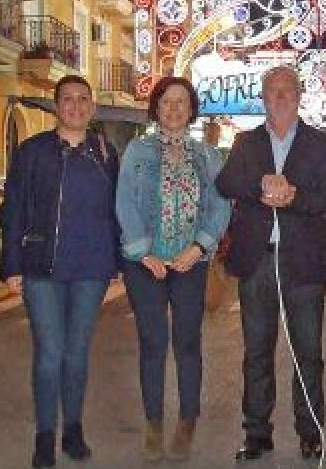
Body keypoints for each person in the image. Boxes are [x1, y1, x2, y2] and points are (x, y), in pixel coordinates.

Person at [216, 66, 326, 462]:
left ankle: (311, 431)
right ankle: (257, 433)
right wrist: (258, 188)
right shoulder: (245, 142)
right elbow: (225, 185)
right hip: (257, 263)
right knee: (256, 352)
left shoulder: (321, 143)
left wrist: (294, 196)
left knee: (308, 351)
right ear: (263, 97)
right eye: (273, 90)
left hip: (303, 264)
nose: (280, 96)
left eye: (287, 89)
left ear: (300, 95)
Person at [0, 75, 120, 468]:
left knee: (77, 353)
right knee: (49, 353)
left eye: (84, 99)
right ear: (56, 106)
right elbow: (12, 209)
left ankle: (74, 430)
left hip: (91, 267)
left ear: (92, 108)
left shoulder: (104, 151)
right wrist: (11, 264)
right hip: (42, 268)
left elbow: (118, 211)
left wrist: (117, 260)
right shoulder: (33, 152)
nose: (76, 105)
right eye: (68, 99)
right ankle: (44, 434)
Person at [115, 77, 231, 462]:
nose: (174, 109)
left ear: (191, 109)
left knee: (187, 343)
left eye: (182, 102)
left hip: (190, 264)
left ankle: (187, 420)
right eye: (167, 101)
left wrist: (198, 247)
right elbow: (125, 202)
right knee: (152, 344)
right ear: (157, 107)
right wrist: (142, 252)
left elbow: (220, 207)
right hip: (145, 264)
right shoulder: (138, 150)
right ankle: (153, 424)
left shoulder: (208, 156)